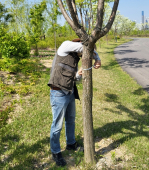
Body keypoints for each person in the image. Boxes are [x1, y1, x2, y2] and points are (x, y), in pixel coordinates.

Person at [47, 38, 101, 166]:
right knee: (57, 125)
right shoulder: (65, 46)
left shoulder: (75, 58)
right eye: (81, 53)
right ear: (78, 45)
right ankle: (55, 152)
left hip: (69, 91)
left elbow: (73, 78)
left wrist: (78, 75)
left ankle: (71, 144)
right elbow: (87, 48)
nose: (83, 56)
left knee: (70, 120)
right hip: (58, 93)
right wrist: (97, 58)